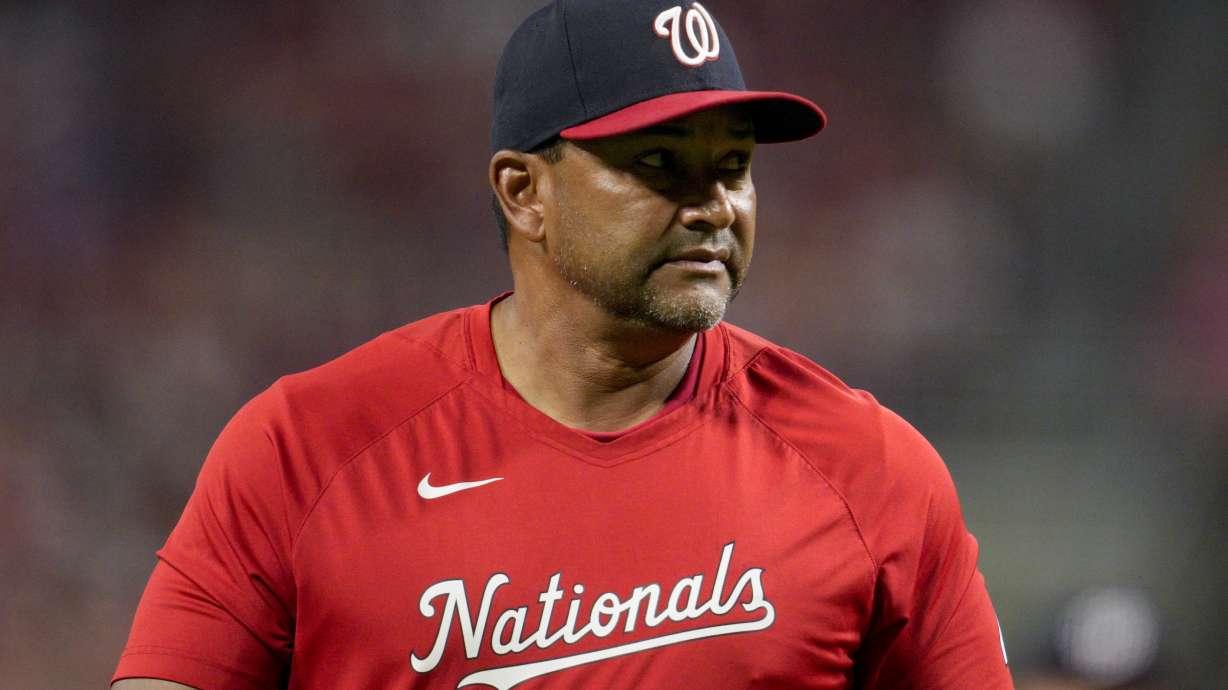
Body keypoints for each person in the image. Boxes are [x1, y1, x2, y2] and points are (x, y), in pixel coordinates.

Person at [113, 1, 1014, 688]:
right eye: (659, 163)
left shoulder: (871, 472)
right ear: (523, 192)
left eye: (732, 166)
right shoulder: (304, 449)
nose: (712, 206)